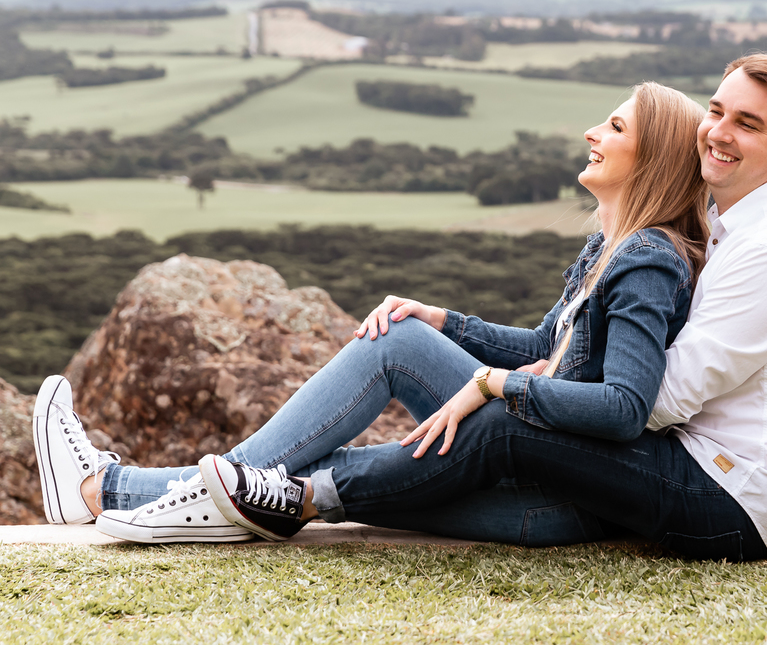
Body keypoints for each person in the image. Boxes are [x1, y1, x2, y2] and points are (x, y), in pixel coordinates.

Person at [197, 53, 767, 560]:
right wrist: (455, 327)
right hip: (683, 459)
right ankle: (211, 489)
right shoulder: (716, 220)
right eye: (718, 111)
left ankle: (301, 495)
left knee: (506, 419)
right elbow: (563, 350)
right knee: (434, 368)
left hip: (733, 498)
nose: (720, 132)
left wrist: (504, 384)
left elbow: (650, 404)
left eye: (749, 124)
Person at [33, 80, 709, 547]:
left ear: (653, 160)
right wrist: (446, 320)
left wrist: (494, 385)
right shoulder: (612, 244)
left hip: (554, 494)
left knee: (385, 364)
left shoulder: (647, 261)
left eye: (615, 127)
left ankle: (118, 491)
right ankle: (160, 492)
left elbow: (622, 406)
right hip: (528, 459)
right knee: (405, 333)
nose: (593, 133)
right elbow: (545, 344)